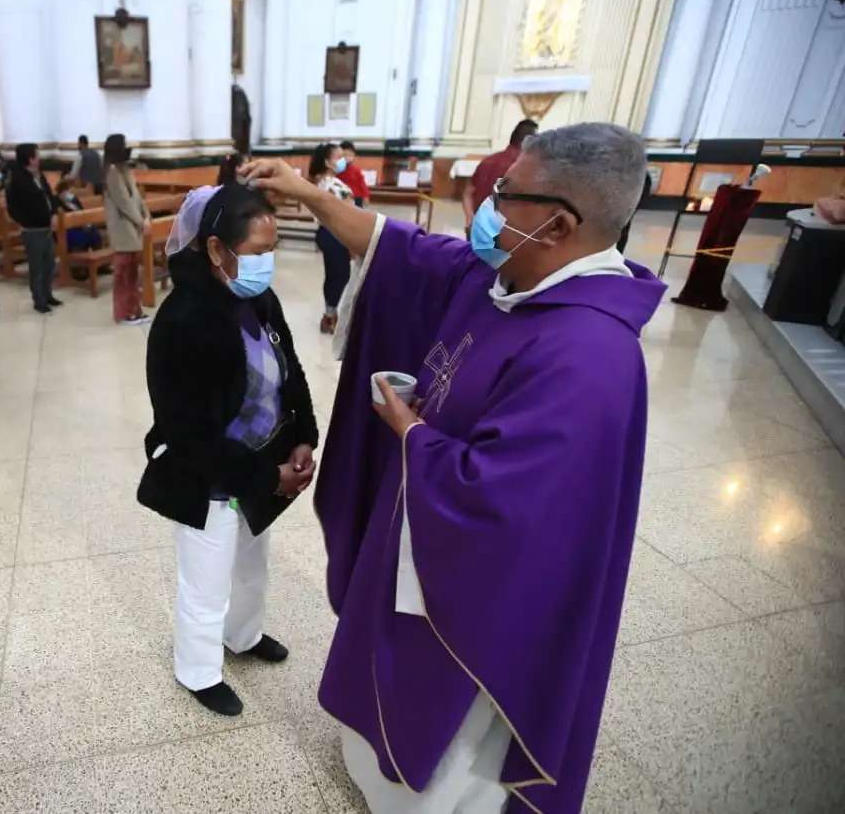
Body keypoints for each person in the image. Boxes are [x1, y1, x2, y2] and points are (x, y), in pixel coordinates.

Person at [239, 122, 667, 813]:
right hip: (415, 540)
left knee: (447, 722)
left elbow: (504, 509)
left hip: (474, 596)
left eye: (506, 192)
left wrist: (413, 435)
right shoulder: (510, 275)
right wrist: (303, 191)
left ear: (558, 223)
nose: (487, 207)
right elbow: (398, 249)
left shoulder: (588, 354)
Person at [138, 183, 319, 717]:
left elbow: (291, 371)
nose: (269, 263)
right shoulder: (181, 323)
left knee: (251, 565)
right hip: (211, 477)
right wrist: (269, 477)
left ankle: (243, 636)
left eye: (273, 249)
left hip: (261, 463)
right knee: (205, 580)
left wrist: (304, 434)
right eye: (259, 252)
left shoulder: (257, 297)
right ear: (217, 250)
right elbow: (190, 432)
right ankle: (197, 669)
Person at [5, 142, 61, 314]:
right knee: (37, 266)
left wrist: (54, 213)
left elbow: (50, 196)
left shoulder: (39, 175)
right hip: (32, 229)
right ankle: (39, 299)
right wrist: (23, 221)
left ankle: (48, 294)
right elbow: (12, 206)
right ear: (30, 159)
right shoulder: (17, 178)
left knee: (49, 263)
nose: (39, 159)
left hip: (46, 227)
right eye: (37, 155)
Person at [103, 133, 152, 326]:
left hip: (134, 228)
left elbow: (137, 198)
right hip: (123, 230)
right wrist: (141, 222)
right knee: (123, 275)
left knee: (133, 274)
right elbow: (124, 202)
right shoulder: (112, 172)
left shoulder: (125, 170)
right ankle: (123, 314)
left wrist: (147, 216)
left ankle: (135, 310)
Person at [308, 143, 355, 335]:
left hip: (324, 233)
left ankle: (329, 314)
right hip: (337, 233)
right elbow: (350, 214)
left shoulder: (318, 184)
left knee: (332, 275)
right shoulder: (336, 186)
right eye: (338, 157)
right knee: (341, 275)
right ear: (328, 162)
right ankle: (330, 317)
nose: (343, 160)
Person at [463, 119, 538, 231]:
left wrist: (470, 217)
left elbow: (467, 193)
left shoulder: (488, 160)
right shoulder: (523, 169)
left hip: (476, 227)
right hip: (501, 234)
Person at [56, 175, 102, 253]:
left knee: (94, 231)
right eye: (65, 190)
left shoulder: (74, 200)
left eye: (68, 189)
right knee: (80, 236)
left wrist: (86, 224)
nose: (67, 192)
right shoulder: (57, 202)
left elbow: (82, 213)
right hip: (69, 228)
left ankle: (97, 259)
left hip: (81, 225)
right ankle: (79, 260)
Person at [337, 141, 371, 207]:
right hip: (342, 198)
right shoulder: (337, 169)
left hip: (357, 198)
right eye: (344, 155)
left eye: (350, 155)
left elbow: (362, 183)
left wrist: (366, 196)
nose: (347, 157)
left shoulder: (356, 170)